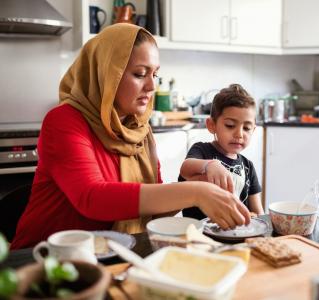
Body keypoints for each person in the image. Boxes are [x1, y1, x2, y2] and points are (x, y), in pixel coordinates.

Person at [11, 24, 250, 249]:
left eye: (154, 74)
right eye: (139, 74)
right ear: (106, 73)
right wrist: (195, 192)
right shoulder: (64, 120)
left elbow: (152, 212)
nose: (151, 86)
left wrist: (196, 186)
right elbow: (91, 198)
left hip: (113, 253)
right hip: (43, 258)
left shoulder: (139, 130)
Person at [179, 84, 264, 220]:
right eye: (230, 125)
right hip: (200, 234)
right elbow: (185, 168)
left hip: (237, 235)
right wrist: (210, 165)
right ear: (211, 125)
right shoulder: (202, 150)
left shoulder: (248, 167)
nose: (239, 134)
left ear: (253, 129)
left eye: (247, 128)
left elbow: (258, 213)